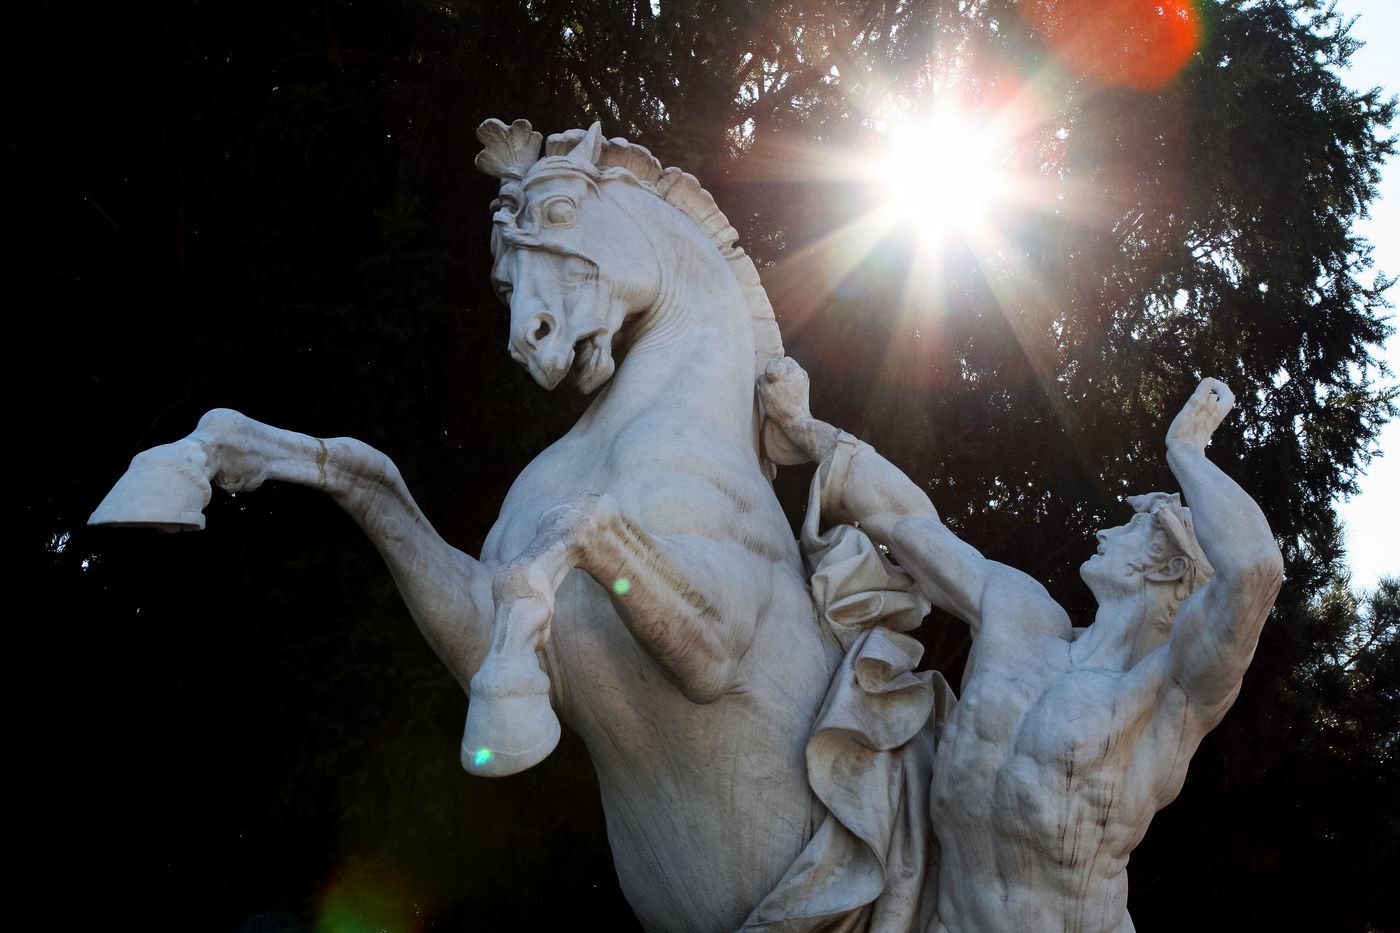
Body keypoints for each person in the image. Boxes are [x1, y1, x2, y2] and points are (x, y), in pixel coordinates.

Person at [759, 358, 1284, 933]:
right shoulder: (1022, 616)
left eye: (1132, 527)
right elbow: (905, 522)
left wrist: (1186, 450)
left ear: (1171, 567)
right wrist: (804, 426)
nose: (1105, 531)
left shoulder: (1168, 694)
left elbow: (1254, 570)